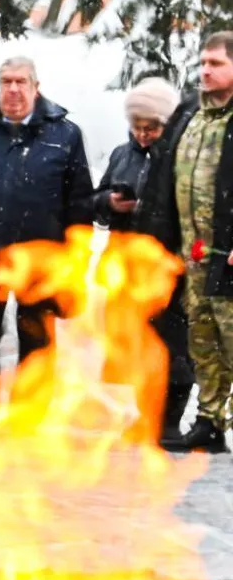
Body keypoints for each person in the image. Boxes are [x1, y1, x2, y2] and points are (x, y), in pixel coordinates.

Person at [0, 55, 94, 424]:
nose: (13, 90)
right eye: (6, 82)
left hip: (42, 256)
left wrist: (77, 256)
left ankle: (31, 410)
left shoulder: (65, 135)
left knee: (37, 336)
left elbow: (80, 201)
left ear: (35, 88)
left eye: (21, 82)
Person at [143, 34, 233, 452]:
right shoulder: (188, 115)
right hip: (192, 258)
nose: (205, 70)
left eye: (215, 62)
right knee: (203, 342)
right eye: (202, 62)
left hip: (227, 255)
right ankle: (210, 423)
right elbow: (163, 176)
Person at [95, 77, 189, 444]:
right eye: (137, 126)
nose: (143, 134)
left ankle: (169, 421)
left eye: (152, 127)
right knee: (132, 345)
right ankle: (142, 414)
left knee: (172, 346)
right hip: (125, 262)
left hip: (167, 264)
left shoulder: (182, 157)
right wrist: (110, 203)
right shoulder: (122, 154)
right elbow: (97, 197)